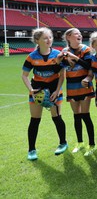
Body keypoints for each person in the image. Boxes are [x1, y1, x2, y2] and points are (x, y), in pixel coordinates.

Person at [22, 27, 68, 160]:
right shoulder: (31, 57)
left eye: (50, 37)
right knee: (35, 120)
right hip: (37, 91)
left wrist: (57, 91)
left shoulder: (57, 55)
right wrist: (31, 89)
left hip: (54, 90)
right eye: (45, 38)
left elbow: (61, 75)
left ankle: (63, 143)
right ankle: (31, 150)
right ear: (37, 40)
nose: (49, 40)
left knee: (57, 117)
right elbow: (24, 75)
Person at [61, 28, 96, 156]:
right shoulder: (64, 52)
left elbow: (89, 66)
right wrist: (63, 58)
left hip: (85, 87)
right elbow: (59, 67)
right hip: (72, 88)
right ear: (68, 37)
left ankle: (92, 144)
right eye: (76, 33)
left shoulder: (86, 49)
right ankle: (80, 142)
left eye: (80, 33)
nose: (80, 35)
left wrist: (75, 58)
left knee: (86, 115)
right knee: (76, 116)